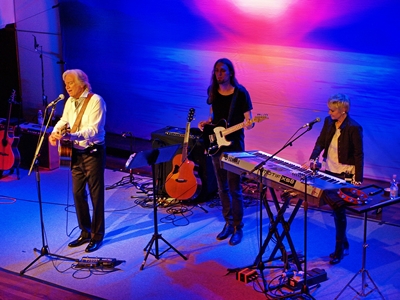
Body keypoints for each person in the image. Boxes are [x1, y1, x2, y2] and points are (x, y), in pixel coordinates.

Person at [49, 69, 106, 253]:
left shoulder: (96, 100)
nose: (67, 87)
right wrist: (55, 133)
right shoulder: (69, 102)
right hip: (76, 153)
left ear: (82, 83)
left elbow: (94, 129)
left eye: (71, 83)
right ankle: (85, 231)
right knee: (77, 193)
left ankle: (97, 236)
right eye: (65, 84)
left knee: (96, 196)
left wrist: (72, 136)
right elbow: (64, 120)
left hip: (93, 152)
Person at [198, 58, 254, 246]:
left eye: (222, 70)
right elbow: (214, 115)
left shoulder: (241, 93)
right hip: (216, 146)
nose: (219, 74)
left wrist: (250, 124)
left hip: (234, 147)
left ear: (231, 72)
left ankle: (238, 227)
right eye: (216, 71)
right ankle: (228, 223)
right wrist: (207, 123)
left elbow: (249, 120)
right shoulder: (212, 91)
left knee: (235, 189)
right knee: (222, 188)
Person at [303, 93, 363, 264]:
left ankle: (339, 249)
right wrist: (313, 158)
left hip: (345, 174)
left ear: (343, 110)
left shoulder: (354, 127)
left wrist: (358, 179)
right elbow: (320, 142)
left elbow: (359, 154)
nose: (330, 113)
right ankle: (343, 242)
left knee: (339, 210)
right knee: (335, 208)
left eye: (333, 110)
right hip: (330, 170)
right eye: (329, 109)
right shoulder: (329, 122)